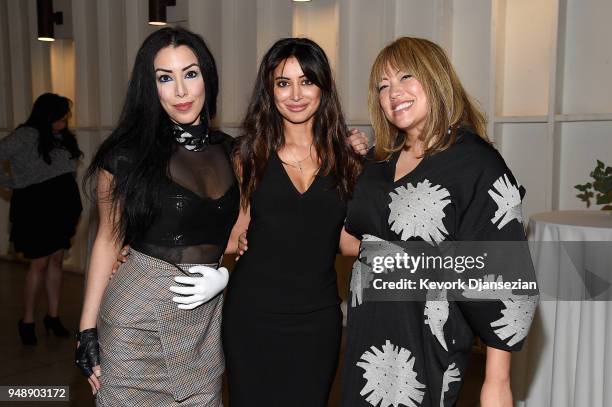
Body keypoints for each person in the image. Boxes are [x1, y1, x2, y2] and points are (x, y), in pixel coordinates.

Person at [338, 37, 538, 407]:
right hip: (368, 342)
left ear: (435, 78)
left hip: (430, 340)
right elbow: (350, 243)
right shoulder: (380, 165)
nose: (393, 92)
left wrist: (497, 380)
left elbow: (506, 277)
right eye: (383, 86)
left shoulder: (475, 163)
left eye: (405, 77)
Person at [75, 27, 238, 406]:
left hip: (203, 328)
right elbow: (107, 240)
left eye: (190, 74)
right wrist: (87, 329)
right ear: (151, 88)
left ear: (207, 78)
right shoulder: (126, 156)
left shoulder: (234, 152)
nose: (181, 91)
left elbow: (247, 231)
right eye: (165, 78)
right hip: (136, 323)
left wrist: (225, 270)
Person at [222, 37, 363, 406]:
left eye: (307, 81)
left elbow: (348, 243)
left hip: (318, 321)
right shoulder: (247, 155)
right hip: (252, 316)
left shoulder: (347, 158)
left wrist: (419, 252)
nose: (295, 94)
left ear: (323, 87)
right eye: (283, 83)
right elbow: (234, 233)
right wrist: (144, 248)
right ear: (269, 90)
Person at [0, 93, 82, 345]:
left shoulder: (62, 136)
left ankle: (53, 316)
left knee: (56, 260)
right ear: (47, 115)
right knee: (39, 264)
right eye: (61, 114)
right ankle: (27, 321)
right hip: (36, 207)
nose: (66, 119)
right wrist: (10, 183)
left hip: (62, 206)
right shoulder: (24, 136)